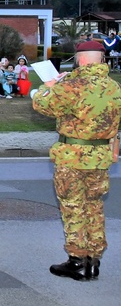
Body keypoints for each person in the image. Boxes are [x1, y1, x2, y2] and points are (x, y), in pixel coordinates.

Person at [32, 39, 121, 281]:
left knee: (73, 206)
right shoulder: (114, 87)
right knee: (94, 206)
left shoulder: (73, 85)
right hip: (100, 157)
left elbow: (41, 104)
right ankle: (94, 259)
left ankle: (76, 259)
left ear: (80, 60)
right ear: (102, 59)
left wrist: (49, 85)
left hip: (73, 156)